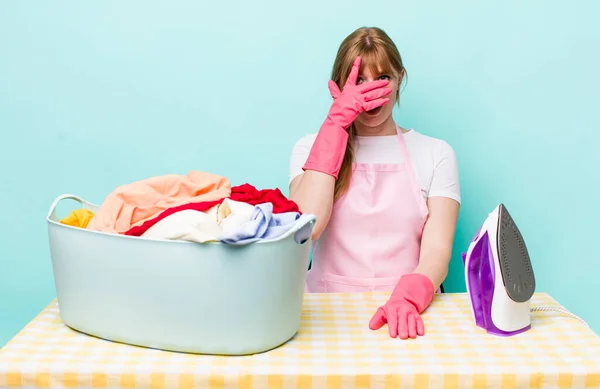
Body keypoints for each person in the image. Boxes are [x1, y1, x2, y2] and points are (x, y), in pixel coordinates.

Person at [288, 27, 461, 340]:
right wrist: (335, 126)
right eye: (358, 81)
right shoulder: (308, 148)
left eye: (382, 78)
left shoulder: (436, 153)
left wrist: (408, 297)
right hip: (324, 318)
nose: (370, 94)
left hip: (408, 315)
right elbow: (306, 225)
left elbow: (437, 251)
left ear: (400, 79)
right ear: (339, 87)